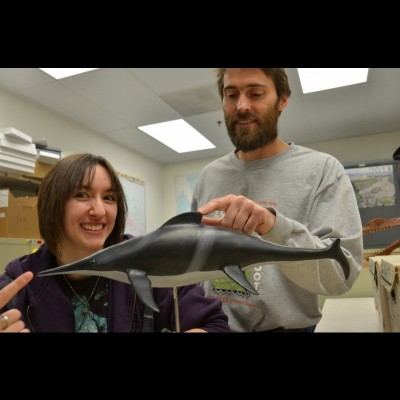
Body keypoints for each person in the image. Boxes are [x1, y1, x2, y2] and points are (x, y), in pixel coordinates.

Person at [191, 68, 363, 332]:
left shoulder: (323, 170)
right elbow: (195, 264)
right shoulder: (208, 176)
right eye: (231, 94)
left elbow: (342, 274)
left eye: (256, 93)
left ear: (282, 99)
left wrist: (273, 227)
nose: (242, 106)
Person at [0, 153, 230, 332]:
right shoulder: (18, 284)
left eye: (109, 198)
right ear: (53, 204)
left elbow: (215, 324)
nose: (99, 211)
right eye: (82, 195)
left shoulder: (150, 261)